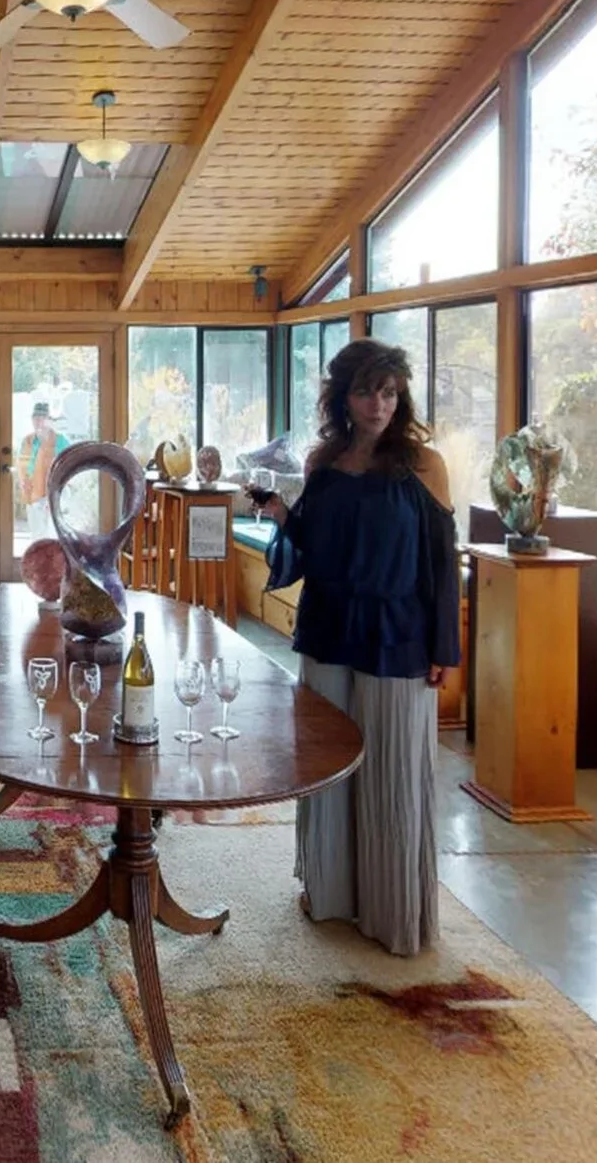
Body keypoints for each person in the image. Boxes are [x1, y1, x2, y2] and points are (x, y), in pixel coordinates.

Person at [252, 339, 460, 954]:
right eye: (366, 391)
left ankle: (392, 914)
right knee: (328, 769)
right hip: (327, 626)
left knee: (393, 772)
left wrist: (445, 646)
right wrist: (282, 515)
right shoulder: (324, 461)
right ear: (343, 398)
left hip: (399, 632)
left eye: (389, 392)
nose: (379, 404)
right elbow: (312, 547)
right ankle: (330, 894)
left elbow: (442, 562)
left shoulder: (425, 465)